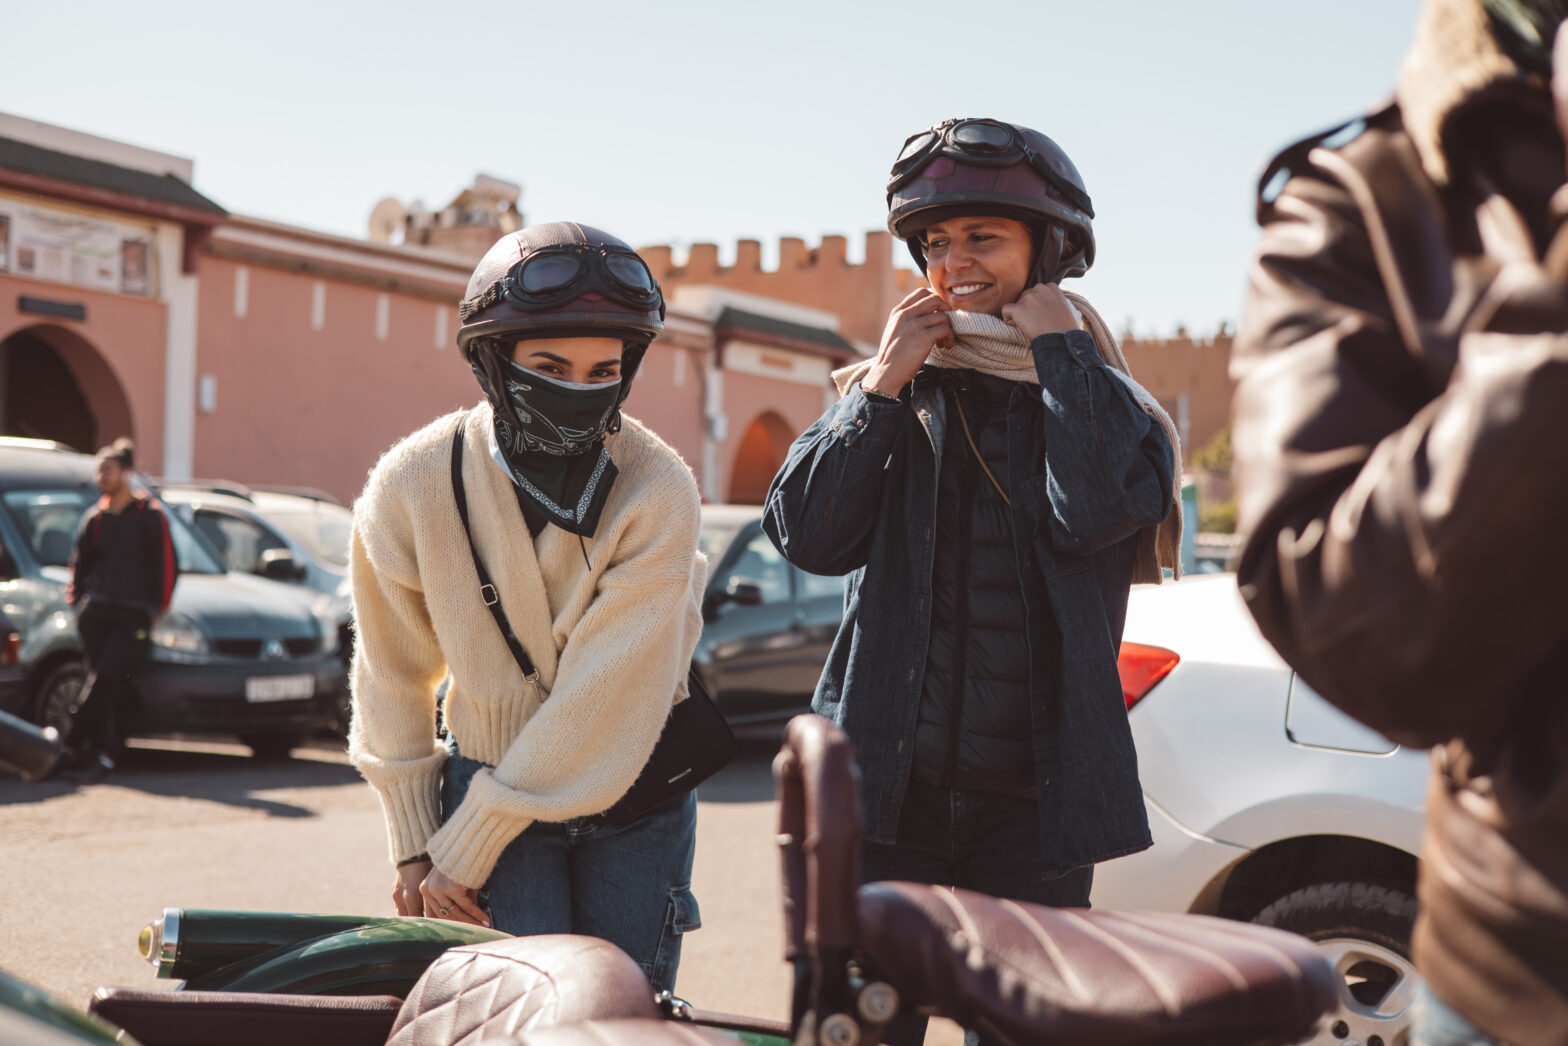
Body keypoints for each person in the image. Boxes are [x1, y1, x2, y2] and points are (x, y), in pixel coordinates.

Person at [763, 118, 1181, 1045]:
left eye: (982, 238)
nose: (954, 263)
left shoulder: (1106, 398)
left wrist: (1062, 356)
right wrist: (877, 389)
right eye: (937, 243)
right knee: (857, 1028)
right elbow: (809, 536)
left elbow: (1097, 510)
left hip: (1033, 810)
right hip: (882, 797)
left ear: (1052, 250)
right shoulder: (886, 390)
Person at [1230, 2, 1568, 1043]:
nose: (956, 263)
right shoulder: (1363, 199)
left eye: (981, 235)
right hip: (1534, 965)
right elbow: (1346, 624)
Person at [347, 222, 707, 994]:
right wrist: (414, 845)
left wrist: (463, 845)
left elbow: (603, 696)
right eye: (549, 364)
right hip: (491, 786)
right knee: (512, 1017)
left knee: (625, 1020)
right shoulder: (413, 483)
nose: (579, 387)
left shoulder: (658, 487)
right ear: (492, 361)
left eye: (603, 368)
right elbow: (391, 675)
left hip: (637, 792)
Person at [66, 437, 175, 777]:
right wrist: (78, 603)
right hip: (96, 613)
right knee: (106, 683)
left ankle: (72, 741)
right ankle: (101, 752)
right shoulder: (96, 519)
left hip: (133, 615)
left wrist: (157, 609)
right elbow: (79, 566)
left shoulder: (149, 516)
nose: (101, 476)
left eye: (107, 470)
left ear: (126, 473)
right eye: (98, 470)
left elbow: (168, 566)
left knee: (107, 678)